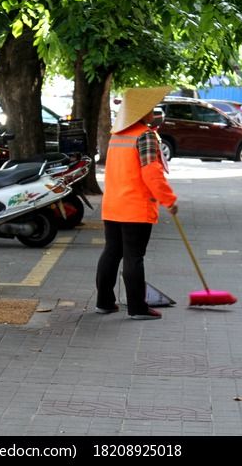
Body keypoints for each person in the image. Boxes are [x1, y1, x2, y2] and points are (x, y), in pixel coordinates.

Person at [95, 86, 178, 320]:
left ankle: (104, 302)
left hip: (112, 205)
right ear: (142, 113)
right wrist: (168, 199)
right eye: (150, 109)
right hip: (135, 207)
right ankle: (137, 308)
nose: (153, 112)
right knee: (133, 256)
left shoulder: (117, 136)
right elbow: (151, 173)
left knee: (111, 252)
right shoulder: (145, 135)